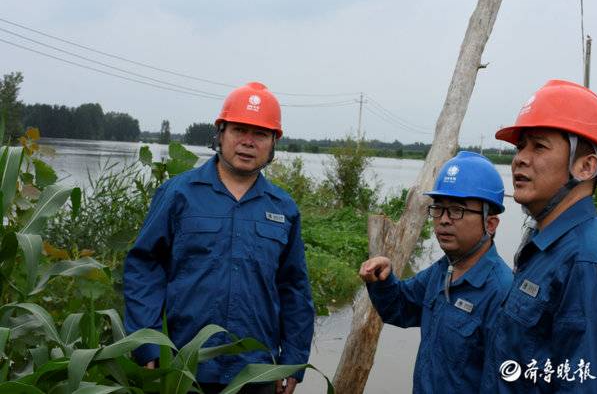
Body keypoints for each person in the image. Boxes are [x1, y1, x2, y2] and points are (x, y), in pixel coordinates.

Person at [124, 82, 314, 394]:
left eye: (260, 134)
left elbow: (294, 287)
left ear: (273, 143)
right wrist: (147, 344)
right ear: (221, 133)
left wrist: (292, 360)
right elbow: (143, 268)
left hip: (256, 370)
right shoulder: (178, 194)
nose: (248, 142)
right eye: (239, 130)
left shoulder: (283, 208)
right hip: (183, 365)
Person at [482, 79, 597, 392]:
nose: (520, 158)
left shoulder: (585, 263)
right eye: (520, 147)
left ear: (586, 166)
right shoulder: (547, 245)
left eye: (538, 146)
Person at [359, 151, 512, 393]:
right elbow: (400, 308)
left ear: (490, 224)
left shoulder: (502, 293)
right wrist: (383, 280)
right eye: (438, 209)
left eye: (457, 210)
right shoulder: (442, 270)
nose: (443, 220)